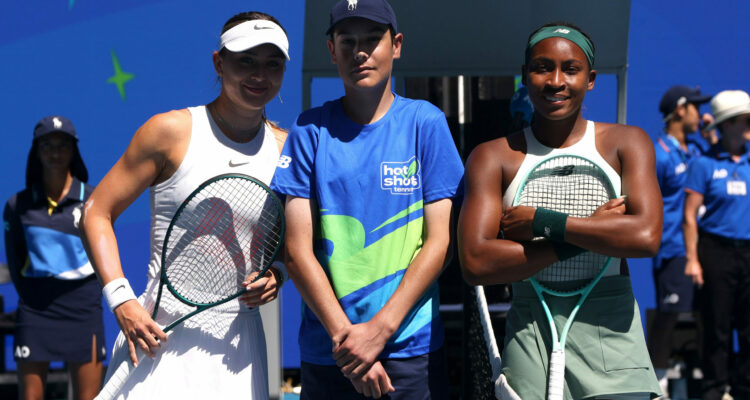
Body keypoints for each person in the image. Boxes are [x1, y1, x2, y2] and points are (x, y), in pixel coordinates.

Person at [78, 11, 290, 399]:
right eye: (246, 60)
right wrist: (122, 300)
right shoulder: (169, 132)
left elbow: (291, 245)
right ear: (218, 62)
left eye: (272, 64)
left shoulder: (285, 150)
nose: (259, 74)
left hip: (240, 354)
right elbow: (96, 212)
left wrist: (277, 273)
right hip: (155, 342)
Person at [458, 22, 663, 399]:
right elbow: (476, 262)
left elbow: (645, 236)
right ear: (524, 76)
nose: (556, 81)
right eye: (541, 67)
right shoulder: (491, 157)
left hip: (614, 338)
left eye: (570, 69)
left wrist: (542, 222)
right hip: (530, 336)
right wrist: (594, 232)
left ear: (591, 79)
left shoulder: (629, 142)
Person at [270, 0, 464, 398]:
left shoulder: (425, 123)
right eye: (347, 41)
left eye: (373, 40)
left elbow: (440, 242)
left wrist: (379, 331)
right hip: (331, 352)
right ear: (331, 50)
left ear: (396, 45)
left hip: (411, 349)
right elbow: (296, 252)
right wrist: (350, 343)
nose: (360, 52)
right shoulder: (309, 129)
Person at [3, 115, 104, 400]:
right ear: (36, 152)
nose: (55, 152)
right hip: (36, 311)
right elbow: (15, 259)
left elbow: (103, 257)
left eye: (62, 145)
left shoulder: (93, 200)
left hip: (83, 310)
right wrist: (34, 297)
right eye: (47, 145)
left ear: (73, 151)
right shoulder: (17, 205)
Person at [683, 90, 750, 400]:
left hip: (748, 251)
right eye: (744, 119)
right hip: (716, 251)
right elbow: (689, 216)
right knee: (717, 325)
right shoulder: (704, 164)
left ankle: (743, 388)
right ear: (728, 124)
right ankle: (714, 388)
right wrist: (693, 259)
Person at [649, 85, 713, 396]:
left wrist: (712, 134)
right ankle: (657, 381)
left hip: (703, 250)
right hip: (672, 249)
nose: (701, 115)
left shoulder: (699, 151)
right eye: (695, 109)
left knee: (709, 316)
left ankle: (707, 378)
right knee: (668, 315)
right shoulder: (659, 154)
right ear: (679, 111)